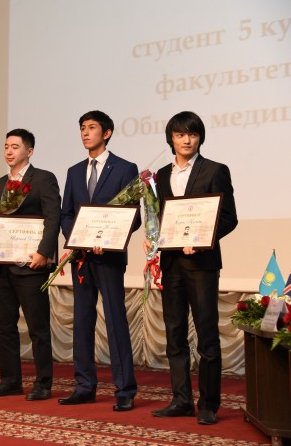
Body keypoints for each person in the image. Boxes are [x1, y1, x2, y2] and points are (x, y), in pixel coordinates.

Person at [146, 111, 237, 426]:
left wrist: (202, 241)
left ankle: (208, 404)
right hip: (171, 263)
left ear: (200, 138)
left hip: (202, 264)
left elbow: (229, 218)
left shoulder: (215, 170)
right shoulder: (161, 175)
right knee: (174, 335)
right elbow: (161, 217)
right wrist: (152, 238)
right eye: (180, 134)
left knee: (207, 334)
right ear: (171, 138)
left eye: (193, 134)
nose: (187, 140)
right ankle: (181, 399)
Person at [58, 111, 140, 412]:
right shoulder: (74, 171)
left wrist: (109, 239)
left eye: (91, 127)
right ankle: (84, 386)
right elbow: (67, 213)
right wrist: (77, 237)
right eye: (82, 128)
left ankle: (125, 389)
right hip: (81, 258)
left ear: (107, 133)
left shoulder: (125, 168)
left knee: (115, 320)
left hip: (109, 258)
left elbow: (134, 215)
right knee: (82, 321)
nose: (85, 133)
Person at [0, 129, 61, 401]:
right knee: (4, 327)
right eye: (6, 146)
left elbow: (53, 218)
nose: (9, 151)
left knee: (37, 328)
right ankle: (10, 381)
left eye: (15, 146)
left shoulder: (43, 179)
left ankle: (43, 384)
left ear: (29, 151)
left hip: (32, 265)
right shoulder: (0, 183)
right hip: (4, 264)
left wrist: (44, 253)